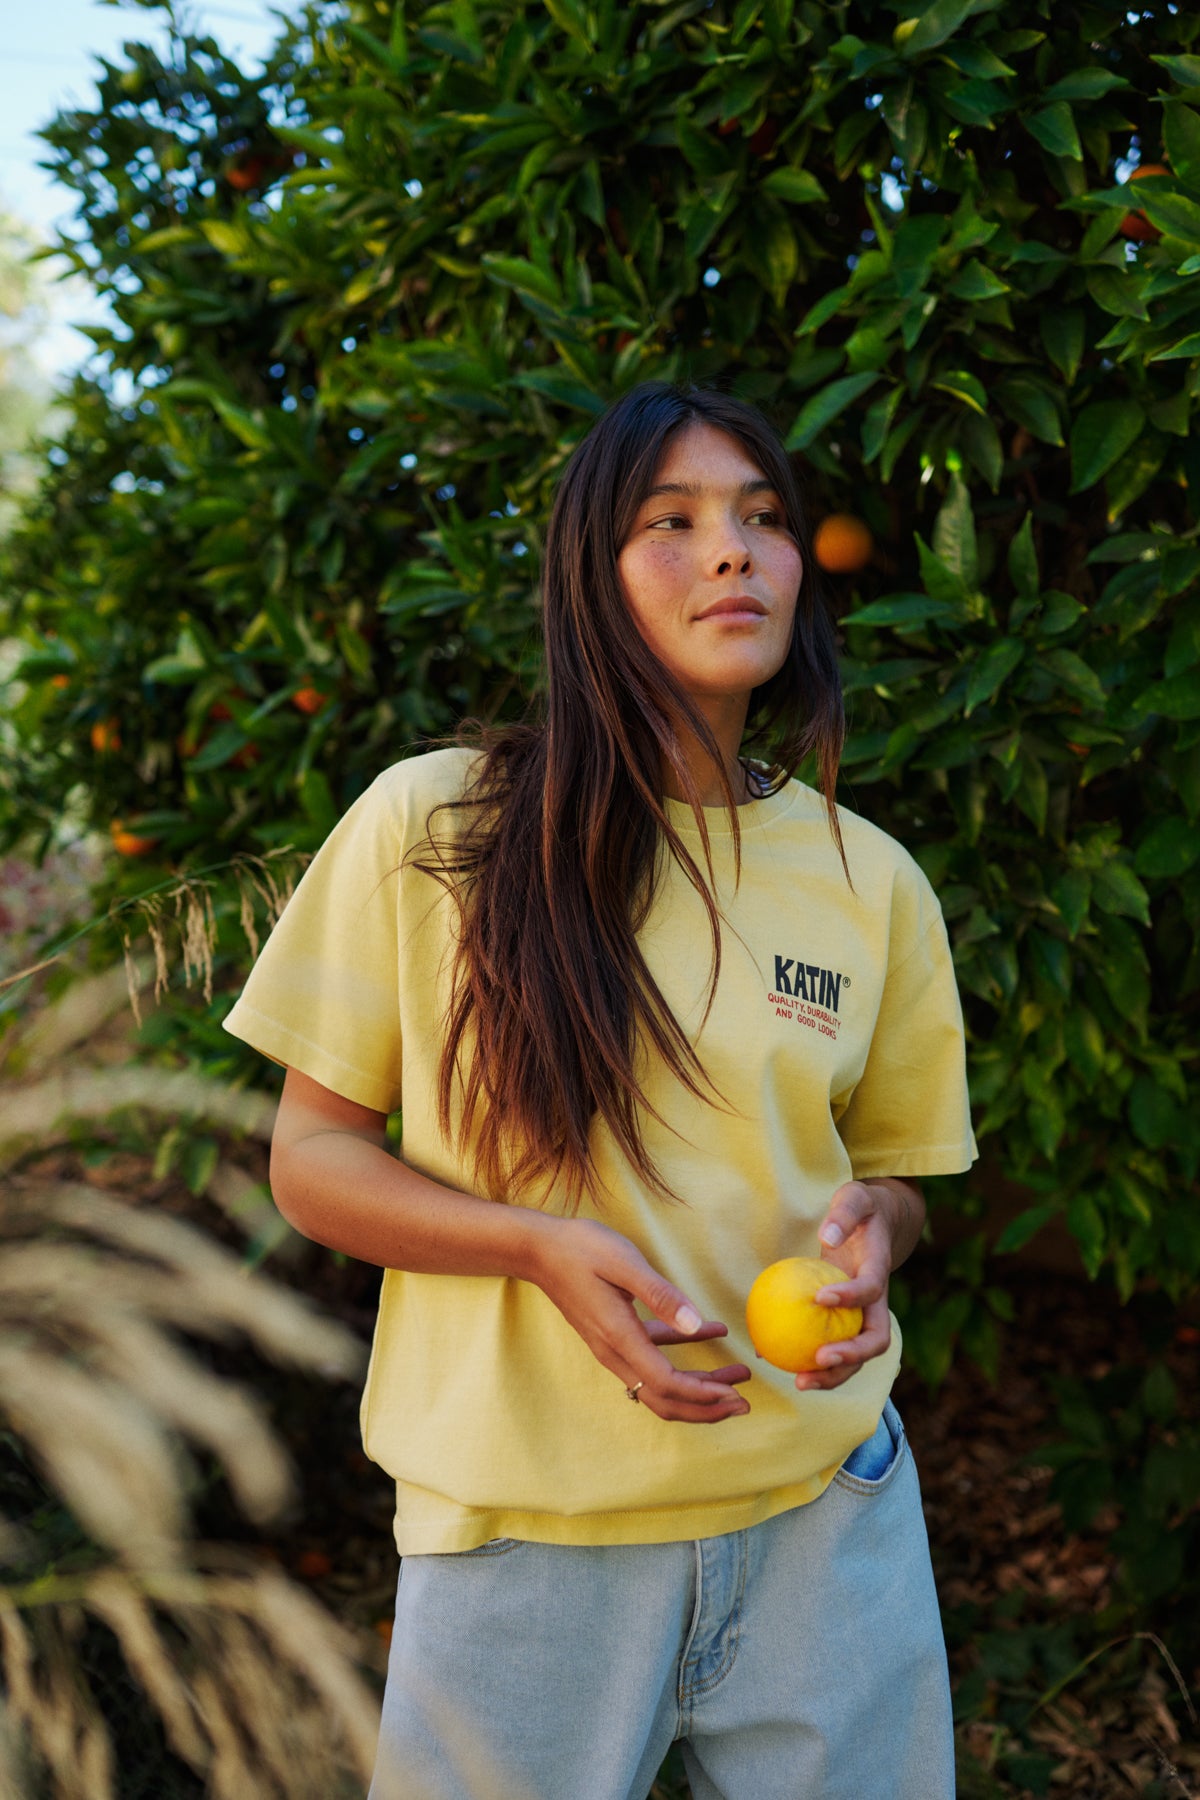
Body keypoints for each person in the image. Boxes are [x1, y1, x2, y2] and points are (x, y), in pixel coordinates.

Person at [223, 381, 977, 1800]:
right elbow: (313, 1161)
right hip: (525, 1536)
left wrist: (881, 1231)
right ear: (589, 574)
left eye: (763, 518)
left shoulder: (872, 879)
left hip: (828, 1518)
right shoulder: (435, 828)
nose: (734, 552)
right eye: (672, 521)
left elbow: (895, 1183)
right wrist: (532, 1245)